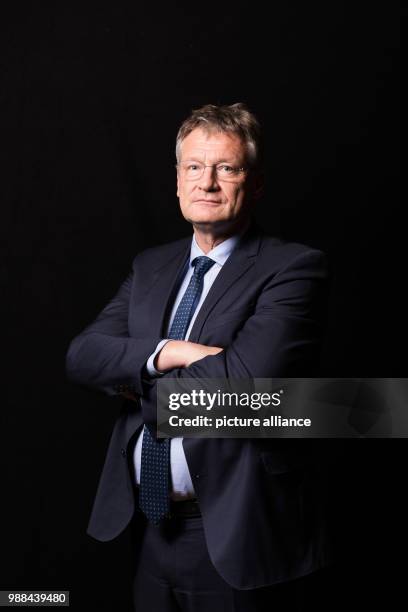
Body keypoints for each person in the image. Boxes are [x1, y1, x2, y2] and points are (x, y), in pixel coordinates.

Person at [66, 103, 332, 611]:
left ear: (253, 184)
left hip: (236, 531)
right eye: (194, 167)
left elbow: (244, 387)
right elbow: (82, 356)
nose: (207, 182)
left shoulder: (294, 268)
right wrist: (171, 352)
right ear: (177, 180)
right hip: (149, 529)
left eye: (226, 168)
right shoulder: (151, 266)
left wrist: (135, 374)